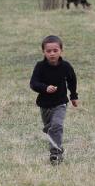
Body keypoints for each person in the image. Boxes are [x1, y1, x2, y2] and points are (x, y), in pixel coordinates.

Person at [29, 35, 78, 164]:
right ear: (43, 52)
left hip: (60, 103)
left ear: (61, 50)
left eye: (55, 50)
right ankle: (58, 148)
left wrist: (73, 96)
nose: (52, 54)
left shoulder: (66, 66)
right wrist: (45, 88)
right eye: (48, 51)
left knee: (57, 125)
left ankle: (55, 153)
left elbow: (72, 80)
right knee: (49, 128)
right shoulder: (40, 66)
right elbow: (33, 83)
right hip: (44, 105)